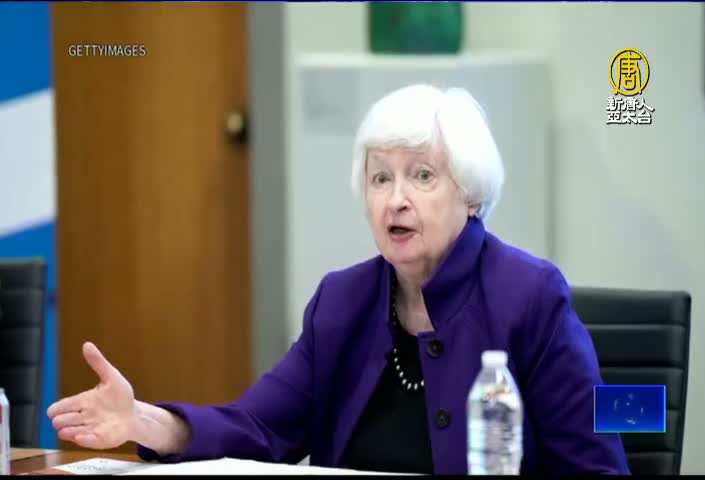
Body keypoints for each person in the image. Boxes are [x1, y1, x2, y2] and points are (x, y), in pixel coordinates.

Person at [47, 84, 630, 475]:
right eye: (380, 179)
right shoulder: (342, 302)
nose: (396, 199)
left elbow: (597, 464)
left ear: (471, 194)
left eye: (422, 176)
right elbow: (258, 427)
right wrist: (144, 421)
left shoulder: (531, 297)